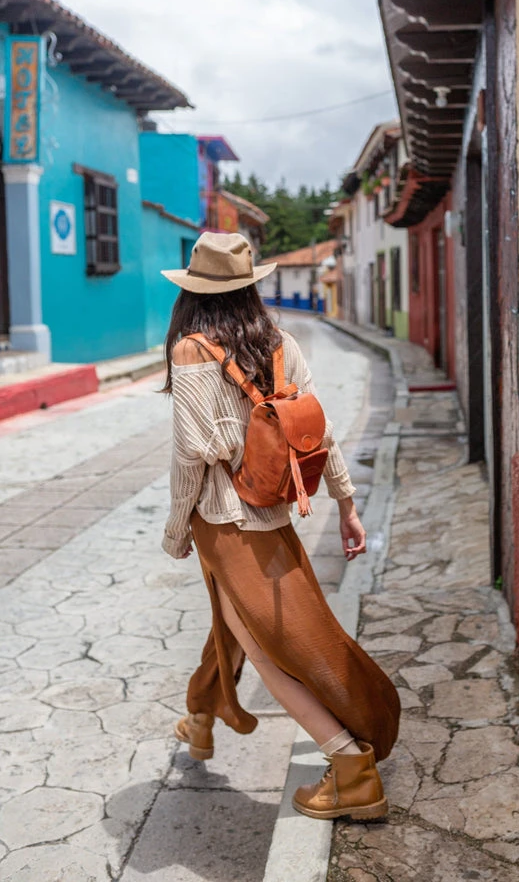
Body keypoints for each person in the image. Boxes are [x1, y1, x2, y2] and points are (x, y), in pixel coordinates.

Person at [159, 231, 400, 821]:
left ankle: (350, 767)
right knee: (240, 621)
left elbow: (192, 452)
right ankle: (199, 720)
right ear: (251, 287)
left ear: (193, 291)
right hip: (271, 514)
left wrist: (176, 529)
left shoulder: (191, 351)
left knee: (268, 646)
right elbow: (317, 432)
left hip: (223, 523)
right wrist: (346, 504)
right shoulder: (279, 343)